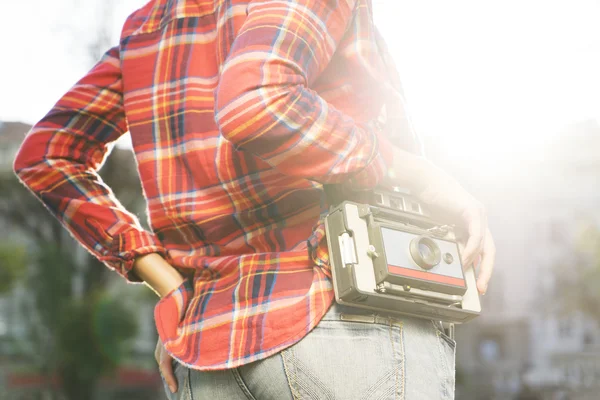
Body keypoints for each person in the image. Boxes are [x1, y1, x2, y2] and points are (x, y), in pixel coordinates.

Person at [14, 0, 495, 398]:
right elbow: (254, 101)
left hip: (208, 346)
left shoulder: (149, 28)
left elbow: (45, 156)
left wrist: (168, 281)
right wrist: (419, 175)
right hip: (342, 311)